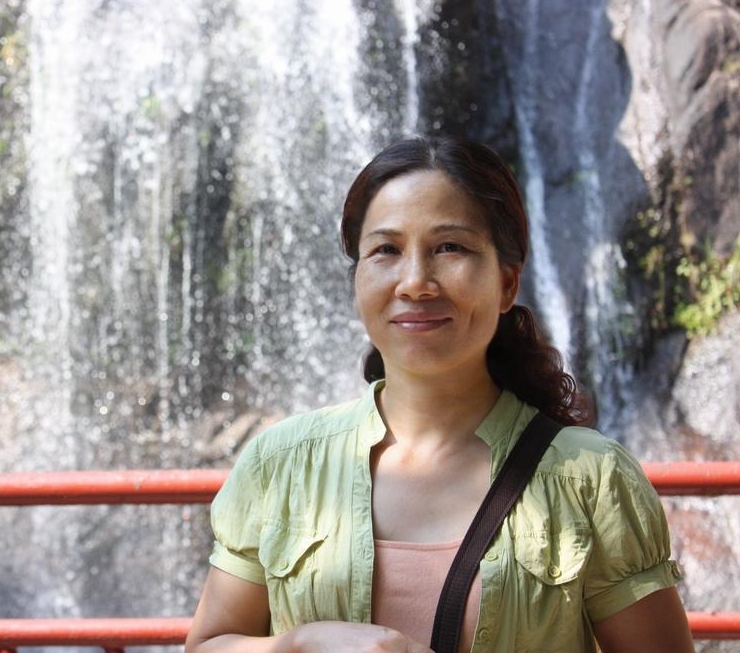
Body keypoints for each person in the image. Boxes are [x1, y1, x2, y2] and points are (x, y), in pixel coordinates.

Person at [184, 135, 694, 653]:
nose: (415, 283)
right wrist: (297, 645)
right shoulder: (282, 464)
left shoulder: (591, 480)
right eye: (386, 250)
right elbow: (209, 645)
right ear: (357, 281)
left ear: (508, 283)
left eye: (450, 247)